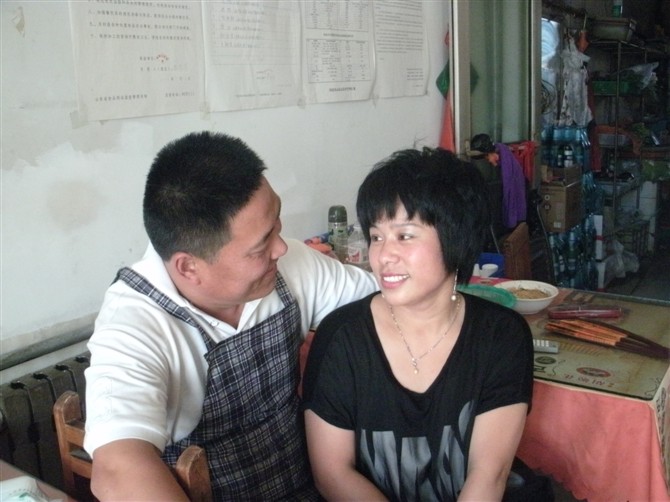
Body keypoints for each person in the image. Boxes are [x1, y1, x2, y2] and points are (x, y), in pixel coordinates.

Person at [83, 131, 378, 501]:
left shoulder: (290, 265)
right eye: (261, 245)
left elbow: (385, 304)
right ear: (189, 267)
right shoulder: (135, 324)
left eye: (277, 224)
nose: (281, 248)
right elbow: (118, 467)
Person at [302, 147, 534, 501]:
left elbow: (489, 474)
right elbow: (332, 474)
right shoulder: (341, 337)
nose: (383, 255)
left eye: (405, 235)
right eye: (376, 236)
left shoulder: (501, 336)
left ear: (456, 237)